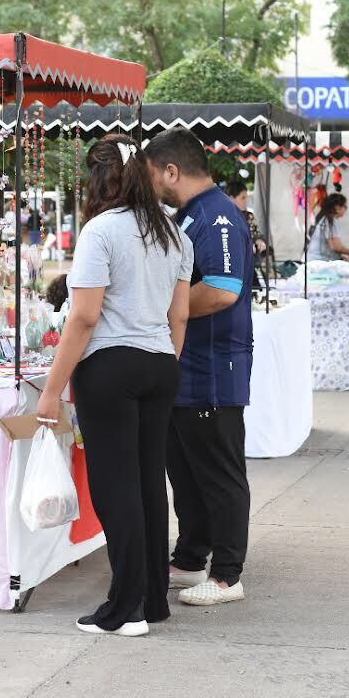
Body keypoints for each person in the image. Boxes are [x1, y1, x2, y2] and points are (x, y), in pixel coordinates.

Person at [36, 135, 192, 636]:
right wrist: (164, 359)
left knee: (115, 486)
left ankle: (124, 607)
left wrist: (50, 389)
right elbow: (180, 316)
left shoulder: (100, 232)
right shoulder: (175, 235)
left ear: (98, 179)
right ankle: (150, 599)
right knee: (149, 483)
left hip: (112, 367)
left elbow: (83, 317)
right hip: (160, 366)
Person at [145, 130, 254, 608]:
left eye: (152, 176)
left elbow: (222, 290)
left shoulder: (217, 217)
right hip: (187, 368)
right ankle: (191, 558)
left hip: (213, 367)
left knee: (219, 474)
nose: (150, 187)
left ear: (172, 171)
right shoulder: (191, 215)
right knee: (185, 471)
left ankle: (228, 575)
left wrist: (152, 308)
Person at [306, 193, 349, 262]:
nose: (346, 210)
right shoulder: (329, 220)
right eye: (345, 207)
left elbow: (329, 247)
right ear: (337, 208)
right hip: (318, 261)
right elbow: (336, 246)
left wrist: (340, 257)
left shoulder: (323, 218)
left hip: (313, 259)